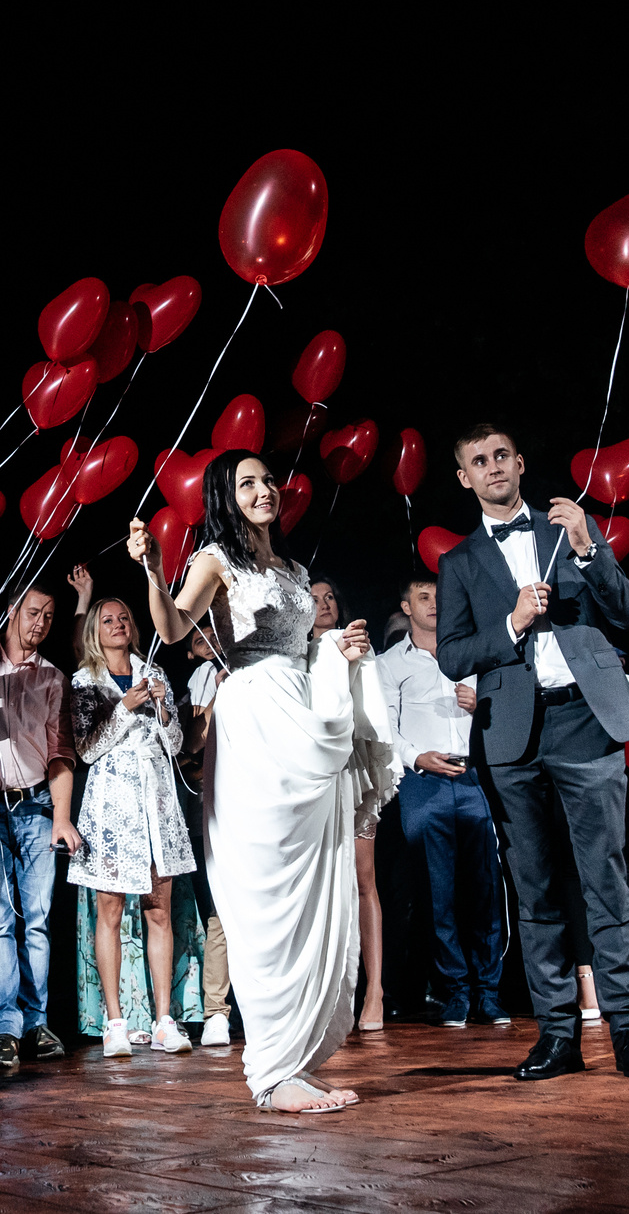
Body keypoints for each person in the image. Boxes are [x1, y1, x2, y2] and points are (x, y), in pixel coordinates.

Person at [126, 450, 395, 1113]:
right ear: (226, 494)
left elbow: (304, 646)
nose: (264, 489)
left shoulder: (297, 569)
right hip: (253, 720)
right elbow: (169, 627)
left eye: (268, 479)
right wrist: (154, 568)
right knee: (265, 886)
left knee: (315, 879)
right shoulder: (217, 558)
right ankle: (270, 1068)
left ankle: (295, 1062)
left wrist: (338, 649)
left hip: (300, 711)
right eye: (247, 482)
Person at [434, 424, 629, 1082]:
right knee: (534, 892)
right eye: (478, 459)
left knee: (606, 879)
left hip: (585, 722)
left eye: (502, 454)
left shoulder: (568, 530)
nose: (493, 465)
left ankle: (628, 1030)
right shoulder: (459, 563)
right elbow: (452, 653)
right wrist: (510, 624)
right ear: (464, 478)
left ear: (521, 462)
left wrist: (590, 548)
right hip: (511, 736)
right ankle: (558, 1034)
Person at [68, 596, 200, 1058]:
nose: (119, 624)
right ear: (94, 632)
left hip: (155, 801)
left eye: (124, 618)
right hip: (111, 804)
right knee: (110, 909)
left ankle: (164, 1019)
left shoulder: (155, 674)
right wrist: (124, 705)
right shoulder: (86, 681)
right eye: (108, 620)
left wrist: (164, 711)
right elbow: (85, 749)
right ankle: (115, 1020)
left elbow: (176, 744)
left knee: (158, 908)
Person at [0, 584, 76, 1069]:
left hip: (36, 806)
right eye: (32, 612)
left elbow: (60, 754)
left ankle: (36, 1022)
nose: (40, 622)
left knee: (38, 920)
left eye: (48, 615)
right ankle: (2, 1027)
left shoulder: (51, 678)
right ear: (11, 612)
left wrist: (62, 817)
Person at [378, 574, 507, 1028]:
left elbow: (508, 711)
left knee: (485, 886)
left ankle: (489, 992)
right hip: (424, 781)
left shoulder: (473, 652)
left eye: (439, 596)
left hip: (475, 777)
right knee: (436, 890)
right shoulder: (391, 663)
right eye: (424, 597)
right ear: (406, 607)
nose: (434, 603)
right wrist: (418, 757)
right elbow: (384, 730)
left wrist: (483, 705)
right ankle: (453, 991)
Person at [303, 577, 390, 1033]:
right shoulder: (295, 654)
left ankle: (373, 990)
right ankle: (325, 993)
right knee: (318, 886)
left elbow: (368, 709)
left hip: (350, 768)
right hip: (311, 768)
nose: (323, 604)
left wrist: (353, 655)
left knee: (363, 879)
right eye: (313, 599)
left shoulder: (353, 641)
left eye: (330, 596)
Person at [176, 620, 234, 1044]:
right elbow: (191, 745)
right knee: (217, 909)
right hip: (210, 807)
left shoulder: (249, 669)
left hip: (254, 801)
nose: (209, 641)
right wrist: (214, 698)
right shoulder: (199, 680)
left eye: (213, 632)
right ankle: (216, 1010)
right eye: (199, 638)